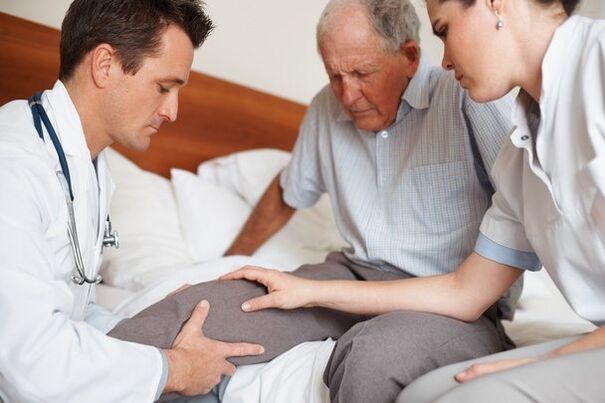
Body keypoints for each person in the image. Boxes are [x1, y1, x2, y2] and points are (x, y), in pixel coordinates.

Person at [109, 1, 527, 402]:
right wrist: (225, 263)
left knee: (374, 358)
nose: (347, 95)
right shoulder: (326, 111)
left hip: (450, 299)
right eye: (334, 76)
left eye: (362, 73)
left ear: (410, 57)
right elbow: (286, 191)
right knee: (198, 308)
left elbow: (528, 207)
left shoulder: (467, 98)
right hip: (351, 274)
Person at [222, 0, 605, 401]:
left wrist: (547, 362)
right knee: (424, 394)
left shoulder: (595, 64)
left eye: (443, 30)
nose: (443, 61)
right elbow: (463, 291)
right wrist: (309, 291)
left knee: (456, 391)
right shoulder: (519, 158)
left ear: (495, 4)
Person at [0, 1, 265, 402]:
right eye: (164, 87)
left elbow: (73, 308)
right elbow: (30, 364)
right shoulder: (13, 166)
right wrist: (174, 368)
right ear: (105, 65)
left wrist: (155, 318)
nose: (172, 111)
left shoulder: (90, 167)